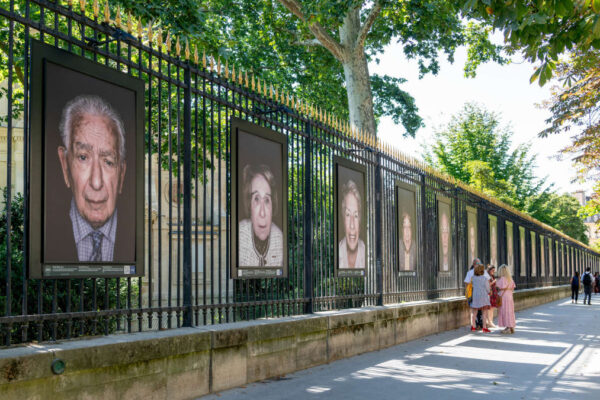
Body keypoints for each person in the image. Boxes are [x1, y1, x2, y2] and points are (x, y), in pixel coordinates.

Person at [55, 95, 128, 262]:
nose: (96, 182)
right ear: (65, 165)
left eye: (108, 161)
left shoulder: (132, 235)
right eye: (83, 157)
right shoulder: (49, 231)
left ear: (121, 174)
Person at [238, 164, 284, 267]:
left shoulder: (279, 238)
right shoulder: (240, 236)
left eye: (267, 200)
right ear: (249, 205)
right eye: (256, 199)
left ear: (273, 205)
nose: (262, 213)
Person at [338, 179, 365, 269]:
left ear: (360, 221)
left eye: (356, 215)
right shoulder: (337, 252)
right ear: (342, 218)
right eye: (348, 215)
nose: (352, 225)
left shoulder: (367, 254)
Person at [465, 258, 488, 329]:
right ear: (474, 264)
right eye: (478, 263)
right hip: (476, 294)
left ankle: (477, 325)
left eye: (479, 263)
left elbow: (466, 283)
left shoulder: (483, 272)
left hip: (477, 294)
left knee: (476, 310)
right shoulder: (470, 272)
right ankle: (478, 325)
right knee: (477, 310)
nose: (479, 265)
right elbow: (466, 283)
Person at [470, 264, 491, 333]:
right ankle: (484, 328)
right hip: (483, 296)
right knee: (484, 312)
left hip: (475, 296)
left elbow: (472, 286)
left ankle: (473, 326)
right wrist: (489, 291)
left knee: (474, 312)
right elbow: (487, 288)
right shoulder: (484, 278)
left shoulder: (473, 278)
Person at [496, 264, 516, 334]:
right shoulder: (510, 279)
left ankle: (508, 327)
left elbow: (497, 286)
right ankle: (511, 326)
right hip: (510, 296)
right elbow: (513, 288)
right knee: (510, 311)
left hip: (503, 297)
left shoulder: (501, 279)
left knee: (504, 311)